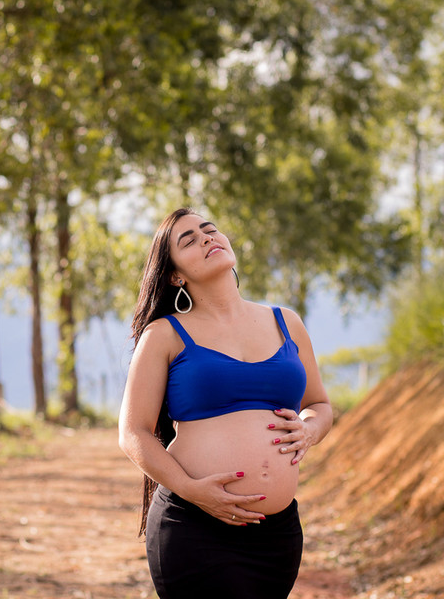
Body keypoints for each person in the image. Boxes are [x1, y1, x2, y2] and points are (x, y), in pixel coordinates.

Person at [118, 208, 333, 599]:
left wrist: (309, 429)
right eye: (189, 240)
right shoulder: (165, 335)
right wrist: (190, 489)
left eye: (209, 229)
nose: (205, 238)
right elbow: (132, 432)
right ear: (174, 275)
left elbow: (319, 404)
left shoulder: (286, 322)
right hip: (194, 525)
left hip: (276, 532)